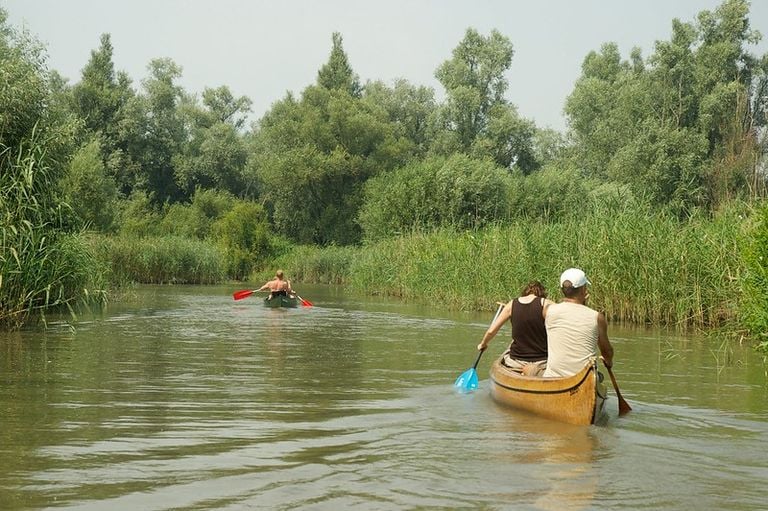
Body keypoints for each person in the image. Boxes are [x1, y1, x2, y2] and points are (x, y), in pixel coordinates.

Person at [542, 268, 614, 378]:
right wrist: (608, 361)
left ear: (562, 290)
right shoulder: (597, 317)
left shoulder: (548, 311)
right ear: (583, 290)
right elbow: (607, 352)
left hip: (553, 378)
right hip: (584, 378)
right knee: (600, 377)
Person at [477, 281, 554, 377]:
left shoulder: (511, 304)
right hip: (542, 362)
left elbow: (491, 331)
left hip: (516, 361)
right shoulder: (546, 304)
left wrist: (483, 344)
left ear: (525, 292)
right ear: (541, 294)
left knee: (505, 357)